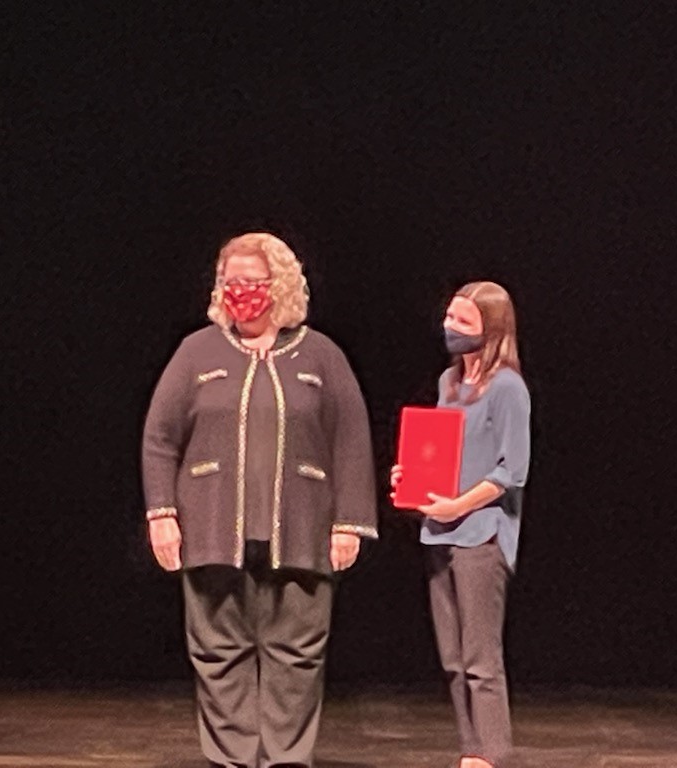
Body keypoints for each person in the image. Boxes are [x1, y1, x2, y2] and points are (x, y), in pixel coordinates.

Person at [141, 231, 378, 768]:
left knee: (297, 653)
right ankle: (232, 760)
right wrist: (162, 514)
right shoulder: (196, 351)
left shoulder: (321, 355)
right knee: (218, 652)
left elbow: (351, 440)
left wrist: (349, 522)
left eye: (251, 281)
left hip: (301, 529)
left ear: (281, 286)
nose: (239, 292)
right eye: (230, 282)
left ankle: (286, 759)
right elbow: (159, 438)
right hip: (211, 527)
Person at [390, 281, 531, 768]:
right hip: (440, 530)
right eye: (450, 316)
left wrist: (460, 505)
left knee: (479, 656)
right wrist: (410, 475)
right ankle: (470, 748)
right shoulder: (449, 382)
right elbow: (443, 452)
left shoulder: (507, 388)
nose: (451, 327)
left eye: (463, 320)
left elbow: (512, 471)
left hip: (480, 534)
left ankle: (492, 754)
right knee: (452, 656)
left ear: (491, 329)